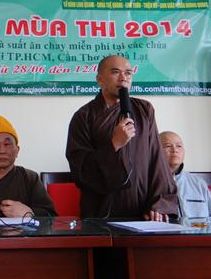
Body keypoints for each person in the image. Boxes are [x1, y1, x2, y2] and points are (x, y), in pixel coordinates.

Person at [66, 55, 178, 221]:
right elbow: (80, 170)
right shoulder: (84, 116)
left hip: (143, 213)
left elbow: (156, 159)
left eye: (128, 73)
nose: (123, 77)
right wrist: (114, 144)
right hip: (101, 213)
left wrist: (158, 205)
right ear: (100, 80)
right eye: (115, 72)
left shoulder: (144, 110)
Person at [159, 131, 211, 218]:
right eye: (168, 146)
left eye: (179, 146)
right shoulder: (148, 183)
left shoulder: (198, 183)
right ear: (155, 150)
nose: (175, 150)